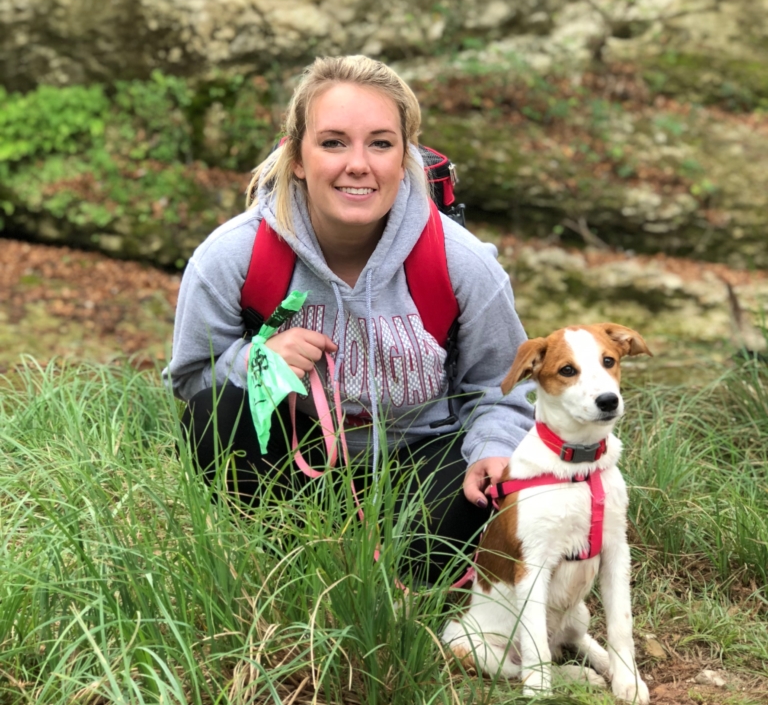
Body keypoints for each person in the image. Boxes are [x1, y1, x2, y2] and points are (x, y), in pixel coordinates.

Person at [165, 54, 534, 583]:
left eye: (380, 143)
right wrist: (259, 364)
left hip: (424, 462)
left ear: (404, 156)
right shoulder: (232, 257)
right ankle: (291, 564)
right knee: (215, 417)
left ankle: (407, 576)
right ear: (296, 156)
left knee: (463, 507)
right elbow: (190, 384)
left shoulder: (460, 262)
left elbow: (503, 390)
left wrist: (494, 451)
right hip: (292, 463)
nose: (357, 164)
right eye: (333, 142)